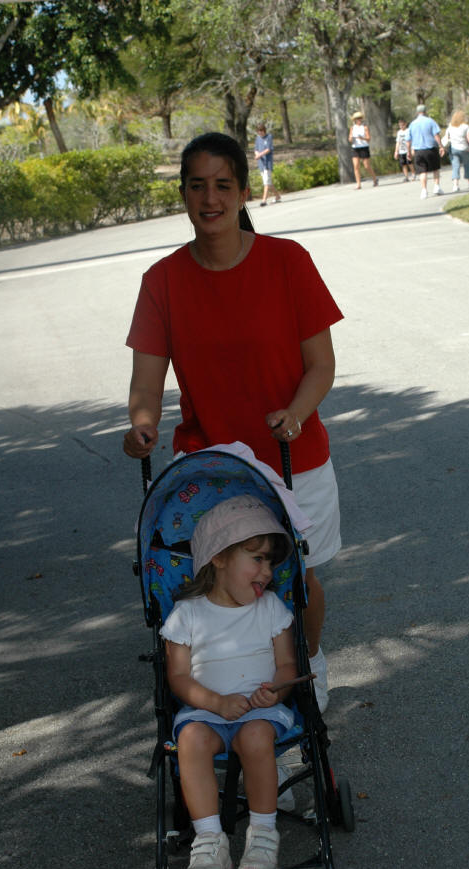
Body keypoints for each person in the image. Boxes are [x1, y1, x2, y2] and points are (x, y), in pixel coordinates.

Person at [123, 132, 343, 714]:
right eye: (197, 186)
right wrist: (141, 426)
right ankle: (234, 690)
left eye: (223, 185)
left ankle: (308, 669)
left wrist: (295, 414)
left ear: (245, 192)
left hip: (294, 456)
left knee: (298, 579)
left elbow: (321, 365)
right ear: (184, 194)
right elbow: (146, 383)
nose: (210, 198)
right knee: (224, 589)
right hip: (212, 471)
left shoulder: (288, 262)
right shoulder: (162, 281)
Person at [161, 494, 298, 869]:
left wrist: (276, 690)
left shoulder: (270, 608)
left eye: (270, 562)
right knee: (190, 739)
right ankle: (209, 840)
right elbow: (178, 677)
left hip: (261, 710)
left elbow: (287, 665)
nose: (267, 571)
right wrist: (216, 703)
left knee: (255, 736)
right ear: (219, 558)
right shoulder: (188, 613)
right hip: (206, 709)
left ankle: (263, 834)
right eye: (257, 559)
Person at [408, 104, 445, 199]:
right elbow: (436, 135)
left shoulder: (412, 124)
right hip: (431, 148)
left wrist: (409, 152)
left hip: (418, 150)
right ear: (425, 111)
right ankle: (436, 186)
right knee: (435, 168)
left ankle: (424, 190)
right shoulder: (430, 121)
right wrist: (441, 146)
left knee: (422, 171)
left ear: (417, 112)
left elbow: (408, 140)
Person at [443, 110, 469, 192]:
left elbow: (447, 138)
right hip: (464, 149)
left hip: (453, 149)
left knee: (455, 166)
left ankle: (455, 185)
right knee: (466, 165)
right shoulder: (465, 127)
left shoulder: (450, 127)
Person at [348, 111, 379, 189]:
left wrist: (362, 138)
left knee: (366, 166)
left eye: (360, 118)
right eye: (357, 118)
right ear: (354, 120)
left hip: (364, 147)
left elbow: (368, 138)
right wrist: (351, 138)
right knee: (356, 166)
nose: (359, 120)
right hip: (355, 148)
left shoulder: (364, 127)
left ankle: (375, 178)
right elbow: (350, 139)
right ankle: (358, 184)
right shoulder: (352, 128)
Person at [254, 123, 281, 207]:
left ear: (264, 130)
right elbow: (256, 149)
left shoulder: (269, 137)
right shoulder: (257, 138)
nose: (260, 133)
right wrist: (257, 154)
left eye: (261, 131)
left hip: (267, 163)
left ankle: (264, 200)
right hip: (261, 164)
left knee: (266, 182)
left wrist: (260, 155)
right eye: (258, 131)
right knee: (268, 182)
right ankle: (277, 196)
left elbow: (269, 149)